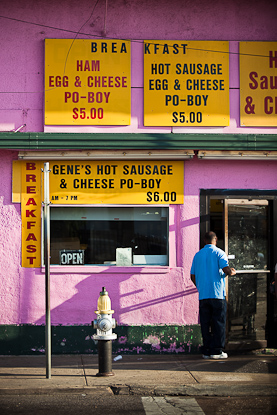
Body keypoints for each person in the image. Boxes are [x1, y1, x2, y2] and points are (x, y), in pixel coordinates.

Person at [190, 231, 236, 359]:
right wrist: (232, 272)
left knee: (205, 323)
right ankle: (217, 351)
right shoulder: (219, 253)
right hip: (217, 294)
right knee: (218, 322)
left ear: (205, 241)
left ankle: (207, 350)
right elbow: (225, 269)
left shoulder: (197, 255)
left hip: (203, 295)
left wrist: (200, 286)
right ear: (215, 239)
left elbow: (192, 275)